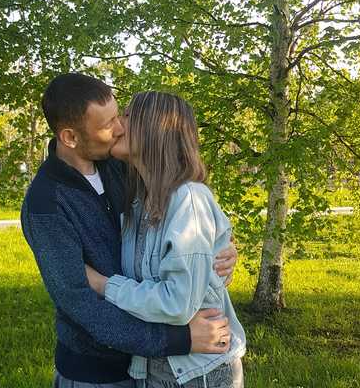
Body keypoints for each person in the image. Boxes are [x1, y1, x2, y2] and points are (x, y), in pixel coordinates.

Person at [21, 74, 239, 387]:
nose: (120, 128)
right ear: (70, 137)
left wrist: (220, 248)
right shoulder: (46, 203)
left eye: (119, 116)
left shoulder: (122, 167)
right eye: (108, 124)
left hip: (151, 366)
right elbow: (79, 302)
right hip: (97, 372)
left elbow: (183, 221)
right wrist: (178, 339)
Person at [84, 91, 246, 387]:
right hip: (151, 368)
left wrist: (104, 285)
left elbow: (177, 304)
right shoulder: (139, 204)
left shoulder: (188, 199)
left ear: (154, 129)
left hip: (198, 374)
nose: (117, 125)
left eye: (127, 116)